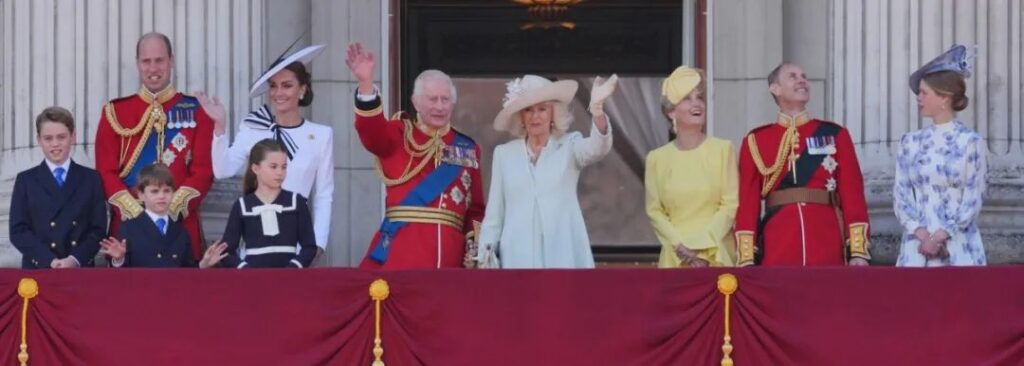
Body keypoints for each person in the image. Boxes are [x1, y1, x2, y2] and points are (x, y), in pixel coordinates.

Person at [345, 42, 485, 269]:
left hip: (451, 258)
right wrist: (366, 84)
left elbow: (476, 209)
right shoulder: (399, 134)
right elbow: (371, 132)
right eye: (432, 99)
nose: (440, 106)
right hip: (403, 253)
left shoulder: (468, 148)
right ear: (416, 102)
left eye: (445, 99)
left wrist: (473, 246)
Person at [94, 32, 217, 261]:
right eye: (146, 61)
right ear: (137, 64)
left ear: (171, 60)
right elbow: (105, 172)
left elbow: (203, 171)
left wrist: (169, 210)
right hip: (129, 226)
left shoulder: (196, 110)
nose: (153, 68)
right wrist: (138, 213)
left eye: (159, 60)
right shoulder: (115, 112)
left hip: (179, 227)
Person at [734, 63, 871, 266]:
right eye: (792, 76)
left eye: (804, 76)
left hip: (826, 237)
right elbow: (748, 203)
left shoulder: (834, 134)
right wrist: (747, 257)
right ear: (775, 88)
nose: (802, 80)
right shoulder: (756, 140)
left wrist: (857, 251)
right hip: (779, 240)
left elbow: (853, 194)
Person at [473, 74, 616, 269]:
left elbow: (597, 148)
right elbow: (494, 214)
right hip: (517, 257)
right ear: (521, 117)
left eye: (542, 109)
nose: (535, 116)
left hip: (562, 254)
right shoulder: (504, 154)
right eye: (528, 110)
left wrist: (598, 111)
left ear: (553, 114)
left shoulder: (569, 146)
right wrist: (485, 255)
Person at [207, 44, 334, 258]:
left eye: (287, 85)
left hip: (298, 235)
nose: (278, 93)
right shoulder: (253, 127)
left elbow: (324, 195)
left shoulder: (321, 135)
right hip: (256, 233)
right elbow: (222, 170)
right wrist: (220, 127)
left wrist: (317, 245)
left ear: (302, 89)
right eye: (273, 86)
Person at [895, 45, 987, 267]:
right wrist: (922, 235)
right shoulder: (910, 142)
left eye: (924, 92)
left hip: (958, 247)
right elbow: (901, 195)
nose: (919, 97)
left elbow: (973, 198)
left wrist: (940, 236)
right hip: (916, 248)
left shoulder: (970, 142)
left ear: (944, 97)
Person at [645, 66, 737, 268]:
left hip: (716, 254)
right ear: (671, 112)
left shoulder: (723, 149)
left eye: (699, 97)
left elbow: (730, 204)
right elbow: (654, 211)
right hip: (675, 256)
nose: (697, 104)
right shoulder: (656, 159)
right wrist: (681, 247)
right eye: (687, 98)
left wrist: (702, 246)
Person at [9, 107, 106, 269]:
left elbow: (98, 230)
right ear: (39, 140)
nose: (55, 144)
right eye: (48, 138)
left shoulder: (91, 179)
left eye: (61, 137)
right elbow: (18, 231)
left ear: (73, 137)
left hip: (79, 270)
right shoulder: (25, 180)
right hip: (39, 268)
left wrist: (75, 259)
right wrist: (49, 260)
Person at [99, 163, 228, 268]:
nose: (161, 196)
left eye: (167, 191)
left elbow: (188, 273)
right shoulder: (129, 229)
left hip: (173, 297)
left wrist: (203, 264)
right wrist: (118, 259)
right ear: (141, 195)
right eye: (155, 191)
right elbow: (120, 278)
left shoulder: (181, 232)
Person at [219, 140, 318, 268]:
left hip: (289, 281)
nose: (280, 172)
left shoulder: (296, 202)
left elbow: (309, 247)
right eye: (273, 166)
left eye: (284, 167)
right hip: (254, 281)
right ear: (256, 168)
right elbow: (226, 251)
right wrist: (245, 269)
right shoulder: (242, 206)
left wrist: (294, 267)